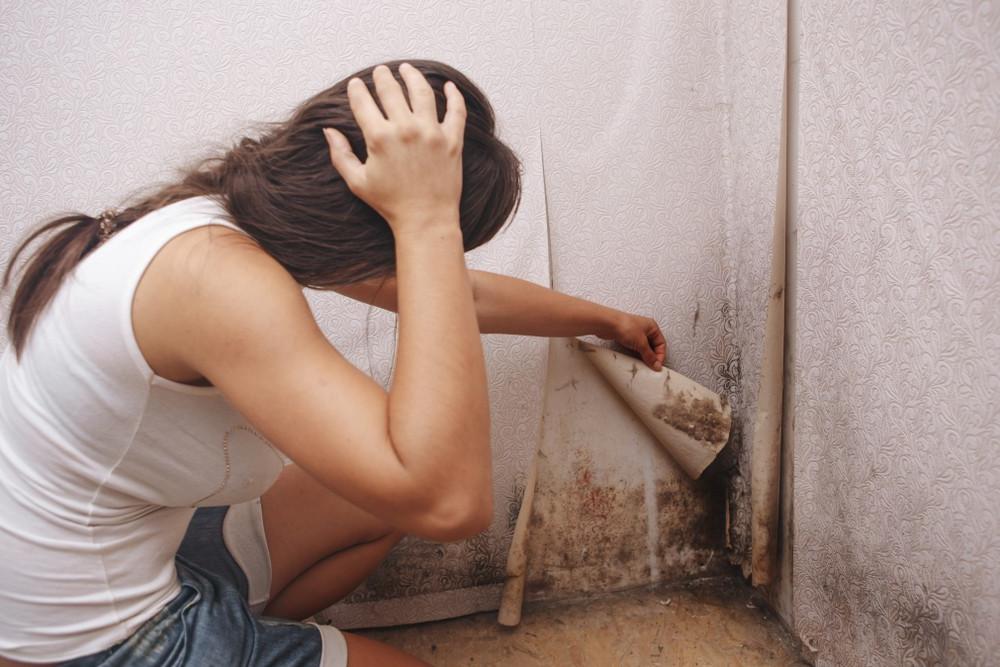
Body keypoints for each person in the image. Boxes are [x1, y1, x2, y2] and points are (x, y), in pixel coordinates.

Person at [0, 60, 667, 666]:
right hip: (94, 639)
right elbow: (451, 502)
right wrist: (428, 218)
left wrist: (603, 319)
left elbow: (451, 294)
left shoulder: (223, 215)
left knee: (377, 500)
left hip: (136, 555)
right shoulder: (218, 278)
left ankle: (251, 635)